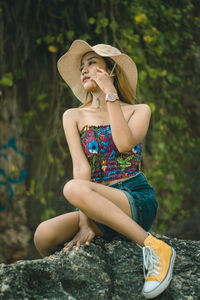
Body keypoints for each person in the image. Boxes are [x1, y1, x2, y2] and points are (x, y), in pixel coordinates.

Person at [34, 40, 176, 299]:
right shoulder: (72, 116)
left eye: (91, 63)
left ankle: (155, 247)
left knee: (72, 187)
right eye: (81, 67)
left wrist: (109, 93)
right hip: (95, 202)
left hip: (133, 197)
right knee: (43, 235)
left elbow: (123, 144)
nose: (83, 71)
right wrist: (85, 220)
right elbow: (80, 168)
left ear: (110, 71)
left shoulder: (139, 110)